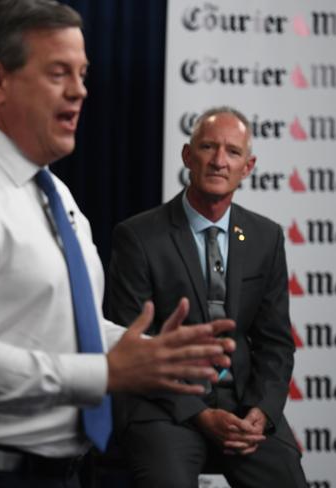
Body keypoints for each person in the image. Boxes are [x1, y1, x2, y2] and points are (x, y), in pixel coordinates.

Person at [0, 2, 234, 487]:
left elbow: (71, 329)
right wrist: (105, 373)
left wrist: (154, 354)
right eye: (58, 73)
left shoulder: (53, 193)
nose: (79, 91)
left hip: (60, 472)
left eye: (82, 74)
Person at [108, 106, 307, 487]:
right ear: (187, 156)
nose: (219, 161)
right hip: (165, 406)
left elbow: (276, 344)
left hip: (243, 404)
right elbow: (129, 346)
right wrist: (199, 414)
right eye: (208, 147)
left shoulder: (266, 238)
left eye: (232, 152)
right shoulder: (138, 237)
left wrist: (262, 413)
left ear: (247, 167)